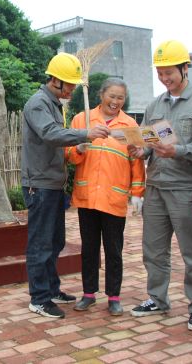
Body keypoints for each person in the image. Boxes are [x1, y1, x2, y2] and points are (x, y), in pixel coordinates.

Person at [127, 40, 192, 330]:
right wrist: (142, 150)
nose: (165, 79)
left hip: (185, 188)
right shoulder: (156, 105)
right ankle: (157, 298)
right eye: (160, 73)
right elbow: (153, 142)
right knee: (153, 250)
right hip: (156, 186)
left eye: (170, 73)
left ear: (184, 68)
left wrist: (176, 151)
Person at [21, 53, 110, 319]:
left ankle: (51, 289)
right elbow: (50, 134)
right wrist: (85, 134)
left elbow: (55, 140)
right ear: (55, 80)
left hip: (53, 184)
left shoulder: (53, 103)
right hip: (40, 184)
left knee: (55, 241)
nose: (71, 88)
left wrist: (77, 145)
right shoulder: (38, 104)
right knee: (41, 243)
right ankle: (39, 298)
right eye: (69, 84)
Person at [66, 78, 145, 316]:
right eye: (111, 96)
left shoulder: (130, 125)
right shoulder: (83, 119)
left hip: (114, 197)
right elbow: (69, 155)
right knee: (88, 248)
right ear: (101, 95)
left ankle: (114, 296)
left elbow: (137, 161)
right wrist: (78, 148)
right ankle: (88, 294)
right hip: (88, 194)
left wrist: (138, 193)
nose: (115, 101)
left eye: (120, 97)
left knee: (114, 250)